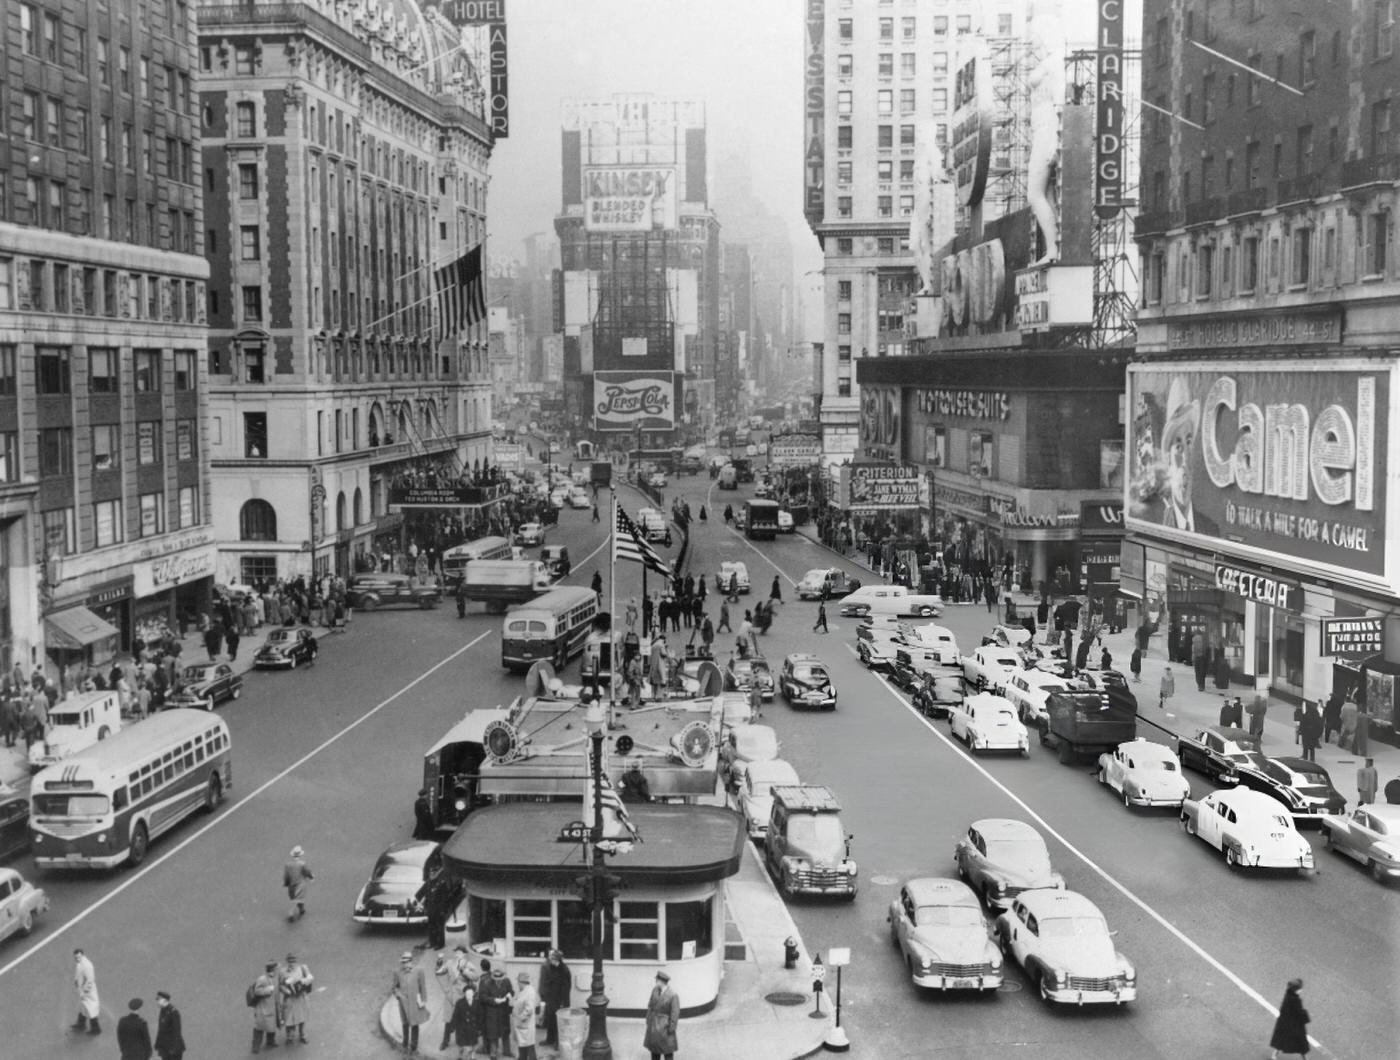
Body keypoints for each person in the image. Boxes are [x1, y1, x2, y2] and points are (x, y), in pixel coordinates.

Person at [392, 952, 429, 1058]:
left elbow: (423, 986)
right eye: (403, 963)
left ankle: (413, 1047)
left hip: (414, 1002)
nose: (404, 965)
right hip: (403, 1003)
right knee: (405, 1023)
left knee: (415, 1023)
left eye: (406, 962)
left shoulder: (419, 971)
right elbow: (394, 988)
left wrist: (423, 1000)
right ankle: (405, 1044)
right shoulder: (397, 972)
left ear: (411, 961)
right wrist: (399, 995)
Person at [478, 965, 515, 1059]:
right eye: (496, 979)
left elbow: (511, 991)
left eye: (500, 979)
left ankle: (507, 1051)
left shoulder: (506, 981)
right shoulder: (486, 983)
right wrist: (494, 1000)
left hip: (503, 1012)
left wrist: (510, 994)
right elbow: (482, 997)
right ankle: (493, 1054)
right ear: (493, 977)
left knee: (505, 1032)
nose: (499, 981)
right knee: (493, 1033)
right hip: (492, 1013)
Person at [1268, 978, 1310, 1059]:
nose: (1301, 990)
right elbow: (1299, 1013)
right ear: (1296, 990)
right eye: (1300, 989)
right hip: (1295, 1025)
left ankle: (1274, 1055)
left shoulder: (1288, 996)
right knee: (1301, 1042)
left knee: (1282, 1039)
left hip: (1285, 1022)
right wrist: (1305, 1016)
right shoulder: (1296, 1000)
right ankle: (1305, 1058)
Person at [643, 969, 680, 1060]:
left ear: (662, 982)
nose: (655, 981)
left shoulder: (673, 995)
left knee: (667, 1052)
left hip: (665, 1028)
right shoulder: (655, 990)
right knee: (654, 1052)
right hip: (653, 1026)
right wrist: (648, 1019)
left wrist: (671, 1028)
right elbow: (650, 1005)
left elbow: (675, 1013)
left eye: (657, 980)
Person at [538, 950, 571, 1049]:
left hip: (560, 999)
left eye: (552, 959)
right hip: (551, 998)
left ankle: (557, 1042)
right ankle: (550, 1039)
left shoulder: (564, 970)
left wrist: (563, 1002)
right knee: (550, 1019)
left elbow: (566, 987)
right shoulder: (551, 967)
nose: (550, 960)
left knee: (558, 1021)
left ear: (557, 960)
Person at [278, 953, 313, 1045]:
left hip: (301, 997)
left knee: (302, 1018)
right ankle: (290, 1037)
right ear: (287, 961)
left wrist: (302, 982)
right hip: (290, 999)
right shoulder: (283, 972)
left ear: (296, 961)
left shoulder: (303, 968)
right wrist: (286, 991)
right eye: (290, 961)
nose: (292, 964)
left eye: (293, 961)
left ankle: (303, 1035)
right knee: (289, 1019)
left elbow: (310, 978)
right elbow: (280, 985)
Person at [251, 961, 279, 1054]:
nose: (276, 970)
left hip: (272, 1007)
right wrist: (267, 990)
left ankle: (270, 1042)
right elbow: (257, 991)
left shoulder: (275, 978)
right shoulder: (262, 979)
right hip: (263, 1008)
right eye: (275, 968)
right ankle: (255, 1047)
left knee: (272, 1026)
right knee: (259, 1027)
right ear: (272, 969)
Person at [72, 948, 102, 1035]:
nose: (77, 959)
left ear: (82, 955)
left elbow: (90, 980)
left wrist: (84, 992)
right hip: (83, 990)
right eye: (75, 957)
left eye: (78, 957)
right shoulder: (80, 963)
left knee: (91, 1009)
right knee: (83, 1008)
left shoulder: (87, 966)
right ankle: (81, 1024)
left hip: (88, 992)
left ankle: (96, 1029)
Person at [511, 971, 539, 1060]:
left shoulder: (529, 992)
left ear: (520, 982)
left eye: (518, 982)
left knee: (529, 1047)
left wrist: (520, 1018)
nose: (517, 984)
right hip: (522, 1026)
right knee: (523, 1046)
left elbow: (529, 1009)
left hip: (525, 1025)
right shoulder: (524, 991)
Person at [283, 845, 314, 921]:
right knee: (298, 899)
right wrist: (311, 877)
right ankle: (291, 913)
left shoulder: (287, 865)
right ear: (300, 855)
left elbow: (286, 876)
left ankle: (301, 909)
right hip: (300, 884)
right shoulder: (302, 864)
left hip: (291, 885)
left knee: (296, 898)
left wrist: (287, 883)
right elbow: (307, 872)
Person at [153, 991, 184, 1060]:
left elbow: (177, 1031)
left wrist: (174, 1049)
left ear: (164, 1000)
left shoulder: (173, 1012)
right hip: (165, 1048)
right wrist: (158, 1044)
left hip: (173, 1049)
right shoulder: (163, 1011)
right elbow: (161, 1029)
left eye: (158, 999)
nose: (157, 1001)